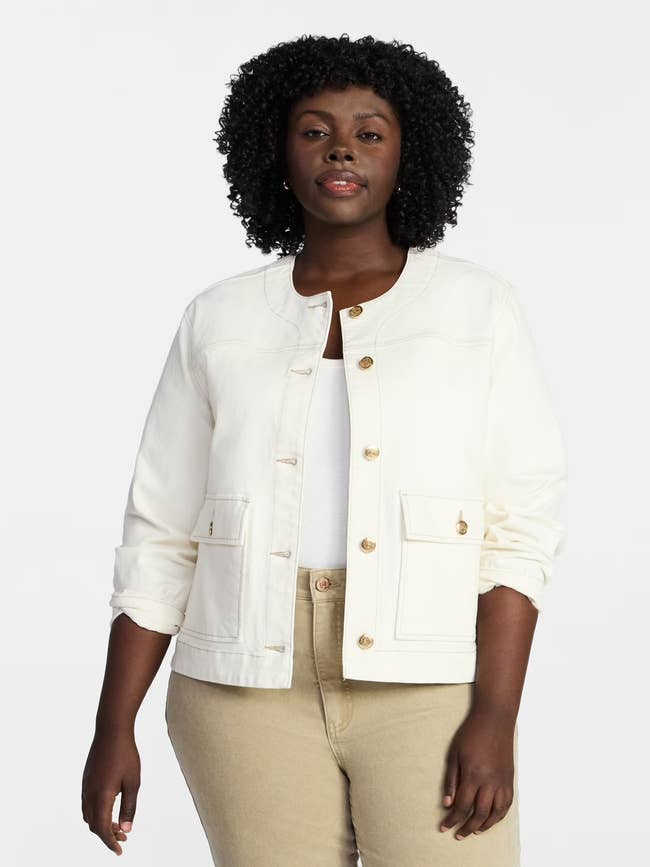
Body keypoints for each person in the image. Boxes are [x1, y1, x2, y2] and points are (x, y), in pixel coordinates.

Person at [82, 34, 567, 866]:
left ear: (409, 155)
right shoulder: (219, 319)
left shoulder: (477, 309)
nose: (342, 149)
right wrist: (111, 724)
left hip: (427, 681)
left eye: (369, 132)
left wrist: (494, 712)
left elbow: (519, 525)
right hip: (241, 686)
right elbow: (161, 529)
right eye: (315, 131)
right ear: (275, 151)